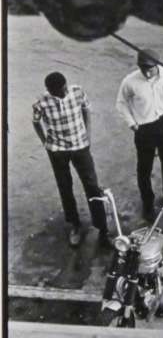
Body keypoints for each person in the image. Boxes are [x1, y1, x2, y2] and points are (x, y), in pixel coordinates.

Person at [32, 71, 109, 248]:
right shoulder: (41, 102)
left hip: (80, 146)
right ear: (50, 91)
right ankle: (74, 225)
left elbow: (86, 110)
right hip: (58, 150)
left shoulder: (77, 92)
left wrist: (88, 134)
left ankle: (102, 227)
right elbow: (36, 122)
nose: (62, 93)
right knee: (65, 186)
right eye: (57, 91)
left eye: (63, 89)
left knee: (92, 185)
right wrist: (45, 142)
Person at [116, 49, 163, 221]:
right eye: (143, 68)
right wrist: (132, 123)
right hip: (145, 128)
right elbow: (121, 103)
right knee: (144, 168)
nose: (147, 72)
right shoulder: (130, 81)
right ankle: (148, 204)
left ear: (158, 64)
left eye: (150, 68)